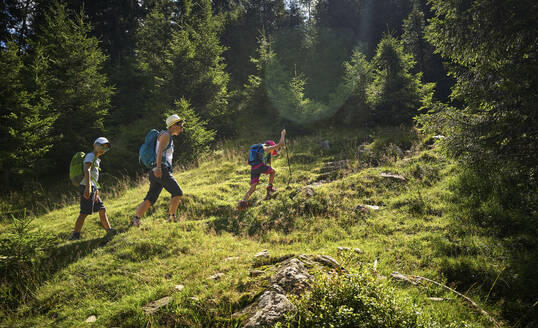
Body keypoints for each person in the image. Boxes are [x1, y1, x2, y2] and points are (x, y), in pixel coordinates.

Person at [132, 115, 184, 226]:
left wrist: (156, 168)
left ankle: (136, 220)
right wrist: (159, 168)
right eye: (180, 125)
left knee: (150, 199)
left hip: (155, 170)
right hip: (160, 169)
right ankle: (172, 218)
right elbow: (159, 152)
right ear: (173, 125)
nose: (182, 129)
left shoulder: (164, 135)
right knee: (177, 193)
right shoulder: (166, 135)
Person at [70, 137, 114, 240]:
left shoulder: (96, 159)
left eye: (106, 148)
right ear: (95, 145)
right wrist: (88, 188)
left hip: (92, 187)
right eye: (102, 146)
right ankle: (75, 235)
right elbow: (87, 169)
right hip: (86, 186)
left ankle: (109, 230)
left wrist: (96, 190)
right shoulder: (90, 156)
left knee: (102, 209)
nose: (103, 149)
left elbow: (94, 177)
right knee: (84, 212)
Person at [238, 129, 286, 210]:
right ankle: (269, 188)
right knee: (273, 171)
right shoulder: (268, 148)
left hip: (253, 168)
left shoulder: (259, 149)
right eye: (273, 151)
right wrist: (283, 134)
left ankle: (243, 202)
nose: (273, 152)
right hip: (259, 166)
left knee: (252, 188)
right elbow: (281, 144)